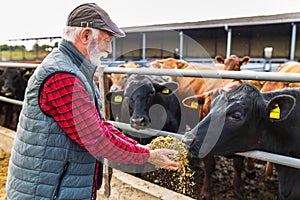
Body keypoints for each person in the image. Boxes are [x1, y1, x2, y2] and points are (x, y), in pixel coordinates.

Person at [6, 3, 180, 200]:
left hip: (57, 184)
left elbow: (98, 125)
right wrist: (147, 156)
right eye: (106, 41)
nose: (109, 49)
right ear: (86, 36)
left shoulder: (74, 70)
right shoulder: (63, 76)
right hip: (47, 191)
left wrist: (140, 148)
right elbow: (96, 139)